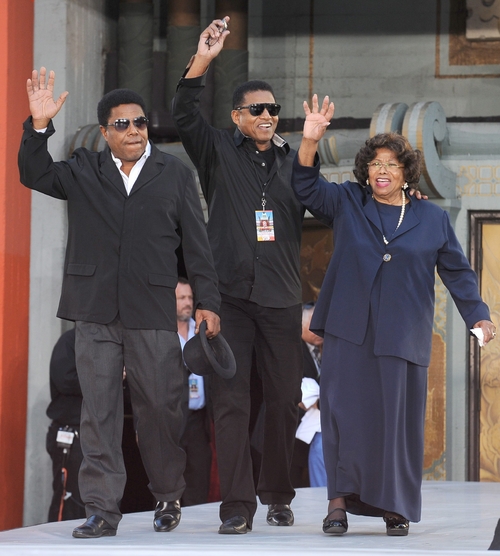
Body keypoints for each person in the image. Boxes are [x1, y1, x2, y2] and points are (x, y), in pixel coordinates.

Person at [19, 68, 221, 538]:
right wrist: (39, 126)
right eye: (123, 124)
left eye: (141, 122)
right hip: (94, 309)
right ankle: (101, 509)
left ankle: (168, 495)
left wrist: (208, 301)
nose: (134, 130)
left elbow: (198, 247)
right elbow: (33, 173)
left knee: (162, 408)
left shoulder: (176, 173)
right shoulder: (83, 168)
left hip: (152, 308)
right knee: (99, 411)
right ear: (106, 131)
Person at [291, 94, 496, 536]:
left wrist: (478, 316)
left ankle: (393, 504)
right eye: (375, 164)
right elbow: (306, 188)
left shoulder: (431, 218)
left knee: (395, 423)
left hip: (403, 335)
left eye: (391, 164)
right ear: (366, 170)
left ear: (406, 173)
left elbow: (458, 272)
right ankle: (337, 504)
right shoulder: (348, 202)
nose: (381, 171)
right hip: (348, 332)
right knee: (344, 418)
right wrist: (309, 141)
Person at [172, 17, 309, 534]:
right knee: (231, 402)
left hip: (281, 300)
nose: (268, 115)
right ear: (237, 117)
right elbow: (184, 113)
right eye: (258, 109)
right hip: (228, 297)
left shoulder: (297, 163)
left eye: (273, 109)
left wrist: (402, 196)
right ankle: (236, 505)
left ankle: (277, 494)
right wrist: (203, 59)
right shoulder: (215, 152)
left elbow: (337, 201)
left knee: (285, 402)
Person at [176, 278, 213, 506]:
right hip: (173, 417)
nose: (187, 302)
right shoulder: (164, 334)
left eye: (190, 297)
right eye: (181, 298)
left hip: (199, 420)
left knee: (199, 480)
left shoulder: (201, 332)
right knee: (172, 480)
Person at [46, 327, 85, 522]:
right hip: (70, 433)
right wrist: (104, 379)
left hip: (96, 434)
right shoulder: (70, 341)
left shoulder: (110, 343)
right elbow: (65, 379)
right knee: (67, 500)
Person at [295, 302, 327, 488]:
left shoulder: (326, 348)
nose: (319, 329)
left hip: (315, 431)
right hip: (290, 432)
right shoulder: (291, 349)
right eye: (314, 323)